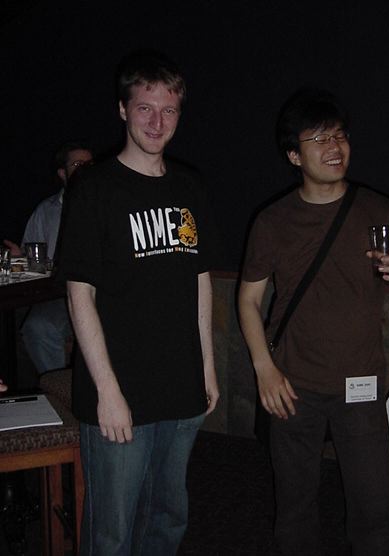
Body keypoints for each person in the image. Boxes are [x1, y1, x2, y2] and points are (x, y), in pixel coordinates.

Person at [238, 88, 389, 556]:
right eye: (318, 138)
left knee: (374, 509)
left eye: (339, 135)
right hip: (292, 384)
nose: (334, 146)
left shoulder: (377, 208)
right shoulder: (273, 220)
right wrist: (264, 369)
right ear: (294, 155)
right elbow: (249, 299)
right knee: (295, 507)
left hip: (361, 382)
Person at [58, 50, 219, 555]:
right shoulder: (94, 187)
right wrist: (107, 391)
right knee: (111, 532)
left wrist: (208, 368)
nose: (156, 122)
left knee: (168, 519)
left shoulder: (190, 185)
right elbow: (79, 294)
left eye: (168, 110)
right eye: (145, 108)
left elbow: (200, 280)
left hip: (181, 385)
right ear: (123, 109)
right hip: (119, 388)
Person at [3, 142, 93, 374]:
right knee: (36, 327)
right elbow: (34, 261)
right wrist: (20, 260)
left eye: (90, 163)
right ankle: (61, 389)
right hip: (59, 295)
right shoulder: (46, 211)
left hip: (102, 294)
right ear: (62, 174)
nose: (85, 168)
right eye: (77, 164)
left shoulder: (109, 203)